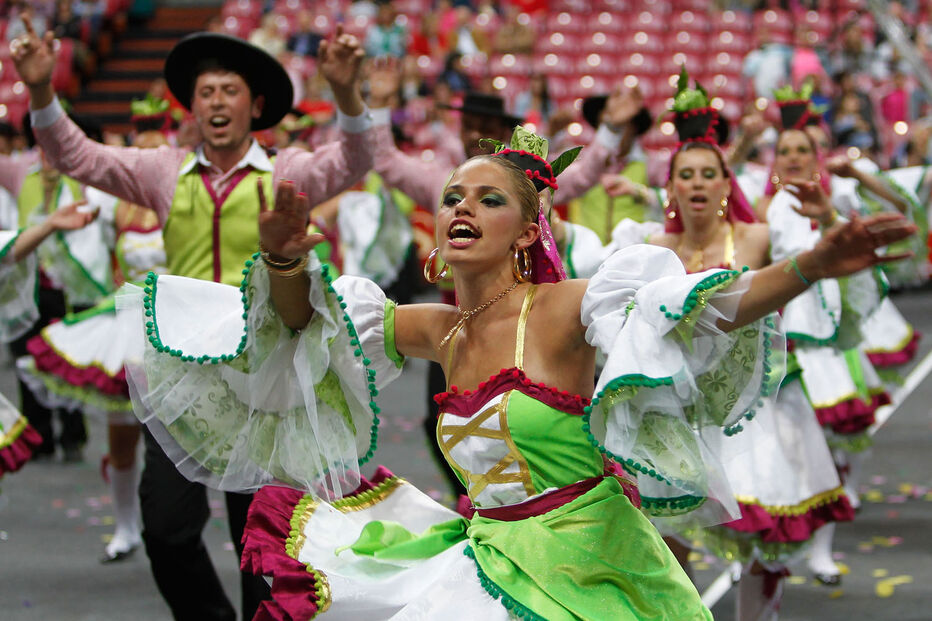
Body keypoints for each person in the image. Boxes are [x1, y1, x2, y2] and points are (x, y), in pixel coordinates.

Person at [117, 125, 913, 619]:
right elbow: (300, 330)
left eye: (489, 199)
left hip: (592, 561)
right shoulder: (437, 327)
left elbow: (702, 310)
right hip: (489, 553)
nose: (462, 207)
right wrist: (287, 261)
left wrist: (809, 265)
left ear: (529, 228)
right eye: (454, 196)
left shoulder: (571, 308)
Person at [11, 17, 376, 621]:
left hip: (267, 381)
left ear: (255, 104)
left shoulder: (288, 170)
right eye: (205, 92)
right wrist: (43, 92)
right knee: (166, 530)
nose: (216, 102)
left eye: (228, 91)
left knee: (262, 540)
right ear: (193, 106)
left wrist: (346, 93)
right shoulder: (163, 171)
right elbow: (76, 156)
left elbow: (357, 157)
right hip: (183, 382)